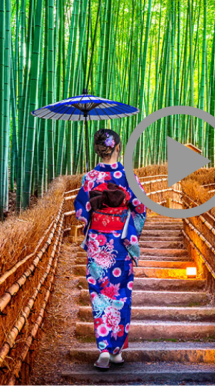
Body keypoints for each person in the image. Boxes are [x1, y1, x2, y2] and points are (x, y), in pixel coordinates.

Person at [73, 128, 146, 371]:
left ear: (98, 149)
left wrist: (95, 214)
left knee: (99, 294)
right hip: (121, 243)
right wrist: (130, 227)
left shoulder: (89, 177)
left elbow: (81, 212)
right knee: (121, 294)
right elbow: (140, 207)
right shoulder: (128, 176)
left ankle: (104, 350)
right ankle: (116, 351)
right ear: (117, 148)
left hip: (97, 244)